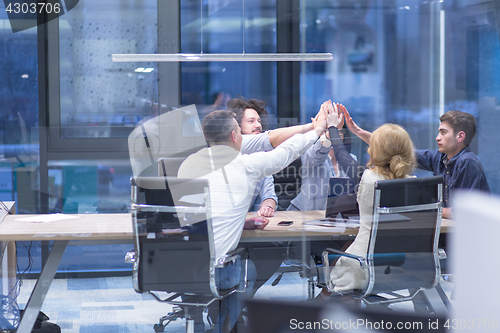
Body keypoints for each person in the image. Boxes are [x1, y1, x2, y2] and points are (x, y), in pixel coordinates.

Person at [177, 109, 326, 333]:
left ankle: (202, 323)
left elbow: (198, 215)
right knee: (249, 270)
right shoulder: (244, 165)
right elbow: (286, 152)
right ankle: (222, 329)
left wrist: (239, 222)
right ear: (235, 137)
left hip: (178, 265)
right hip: (215, 271)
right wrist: (318, 129)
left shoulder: (187, 164)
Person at [325, 101, 416, 292]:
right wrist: (357, 131)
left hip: (362, 266)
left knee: (342, 261)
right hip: (403, 267)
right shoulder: (414, 183)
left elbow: (341, 153)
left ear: (374, 150)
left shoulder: (366, 177)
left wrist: (333, 127)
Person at [342, 108, 490, 218]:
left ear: (460, 136)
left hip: (470, 238)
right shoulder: (441, 158)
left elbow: (461, 213)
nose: (437, 138)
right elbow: (396, 150)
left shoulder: (467, 163)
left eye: (443, 132)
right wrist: (359, 132)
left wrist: (424, 208)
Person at [226, 97, 277, 217]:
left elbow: (269, 194)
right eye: (251, 121)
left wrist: (267, 207)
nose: (258, 125)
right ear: (237, 126)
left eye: (259, 121)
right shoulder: (231, 152)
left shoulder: (262, 155)